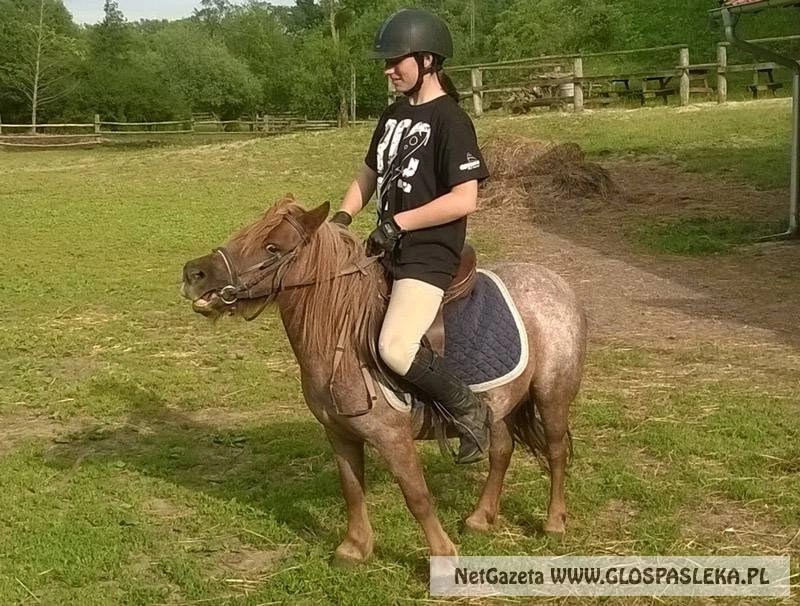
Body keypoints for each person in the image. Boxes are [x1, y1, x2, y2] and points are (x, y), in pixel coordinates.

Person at [331, 8, 491, 464]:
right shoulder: (393, 115)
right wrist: (342, 218)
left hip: (428, 255)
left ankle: (469, 410)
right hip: (385, 247)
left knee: (395, 347)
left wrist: (397, 224)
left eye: (395, 61)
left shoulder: (452, 121)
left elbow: (464, 199)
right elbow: (369, 174)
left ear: (427, 60)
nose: (388, 70)